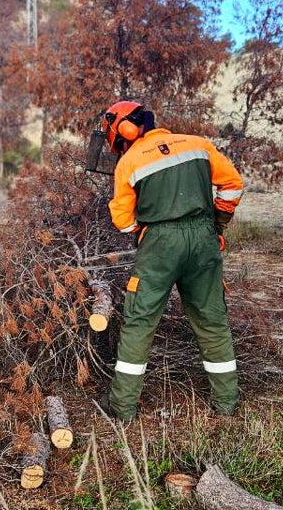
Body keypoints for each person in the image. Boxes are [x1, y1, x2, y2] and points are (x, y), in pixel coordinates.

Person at [98, 100, 244, 422]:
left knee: (139, 320)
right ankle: (226, 405)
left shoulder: (129, 162)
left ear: (125, 129)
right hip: (204, 238)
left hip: (159, 245)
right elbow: (233, 185)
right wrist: (216, 225)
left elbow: (122, 220)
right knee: (212, 319)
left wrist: (147, 232)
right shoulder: (198, 145)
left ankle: (122, 408)